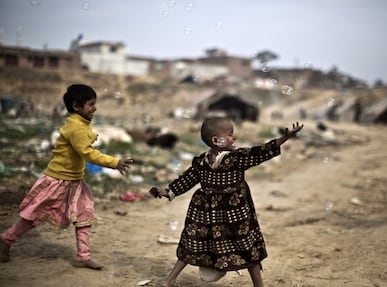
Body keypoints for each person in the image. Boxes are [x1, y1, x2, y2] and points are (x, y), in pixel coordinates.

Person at [150, 117, 304, 287]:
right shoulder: (202, 162)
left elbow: (260, 151)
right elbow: (186, 180)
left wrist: (285, 138)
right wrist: (168, 191)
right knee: (195, 242)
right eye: (230, 134)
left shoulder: (237, 158)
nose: (234, 138)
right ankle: (169, 280)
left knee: (244, 245)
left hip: (232, 213)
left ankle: (170, 280)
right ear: (217, 140)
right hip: (213, 213)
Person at [0, 84, 134, 270]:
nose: (95, 108)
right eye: (91, 104)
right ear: (76, 106)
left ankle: (83, 256)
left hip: (74, 181)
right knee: (34, 216)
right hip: (58, 181)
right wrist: (114, 162)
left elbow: (83, 140)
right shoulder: (76, 128)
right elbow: (87, 153)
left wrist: (92, 136)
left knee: (84, 215)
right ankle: (6, 239)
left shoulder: (79, 123)